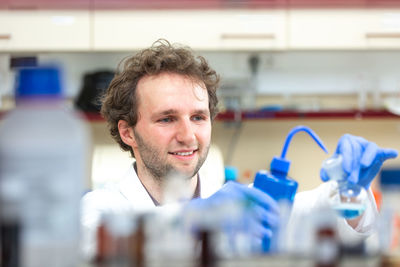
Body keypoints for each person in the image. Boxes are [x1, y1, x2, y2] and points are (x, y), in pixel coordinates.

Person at [81, 39, 398, 258]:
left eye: (198, 117)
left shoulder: (242, 207)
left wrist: (350, 190)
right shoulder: (99, 210)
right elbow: (98, 243)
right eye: (166, 119)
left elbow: (333, 220)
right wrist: (192, 219)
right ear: (128, 132)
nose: (188, 135)